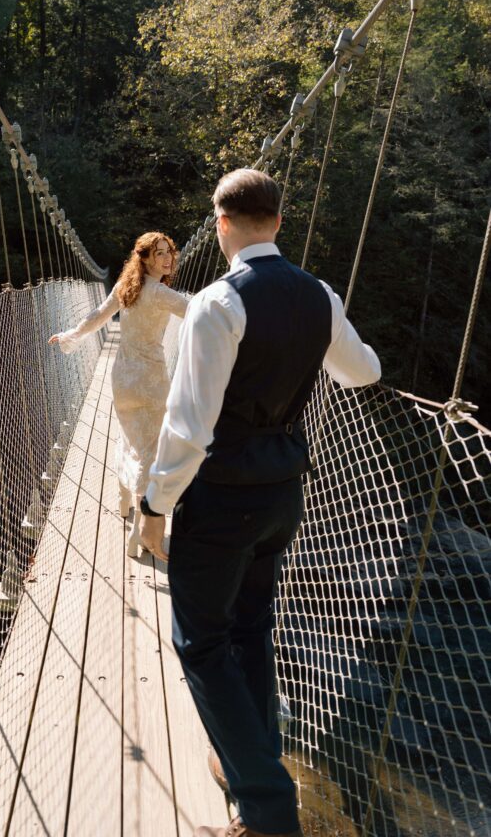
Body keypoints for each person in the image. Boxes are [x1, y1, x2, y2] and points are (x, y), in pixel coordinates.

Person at [138, 169, 381, 837]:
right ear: (277, 222)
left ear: (219, 225)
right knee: (249, 629)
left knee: (199, 642)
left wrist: (154, 505)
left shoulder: (217, 304)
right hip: (282, 493)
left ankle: (268, 810)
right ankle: (251, 758)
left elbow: (188, 427)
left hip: (220, 500)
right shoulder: (318, 295)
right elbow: (363, 372)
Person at [49, 231, 189, 557]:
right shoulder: (162, 295)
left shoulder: (126, 289)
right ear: (145, 259)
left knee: (131, 441)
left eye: (170, 252)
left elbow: (96, 317)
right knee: (152, 453)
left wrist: (70, 335)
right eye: (159, 254)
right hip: (153, 383)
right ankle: (139, 530)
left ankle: (124, 495)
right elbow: (200, 310)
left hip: (123, 380)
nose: (168, 259)